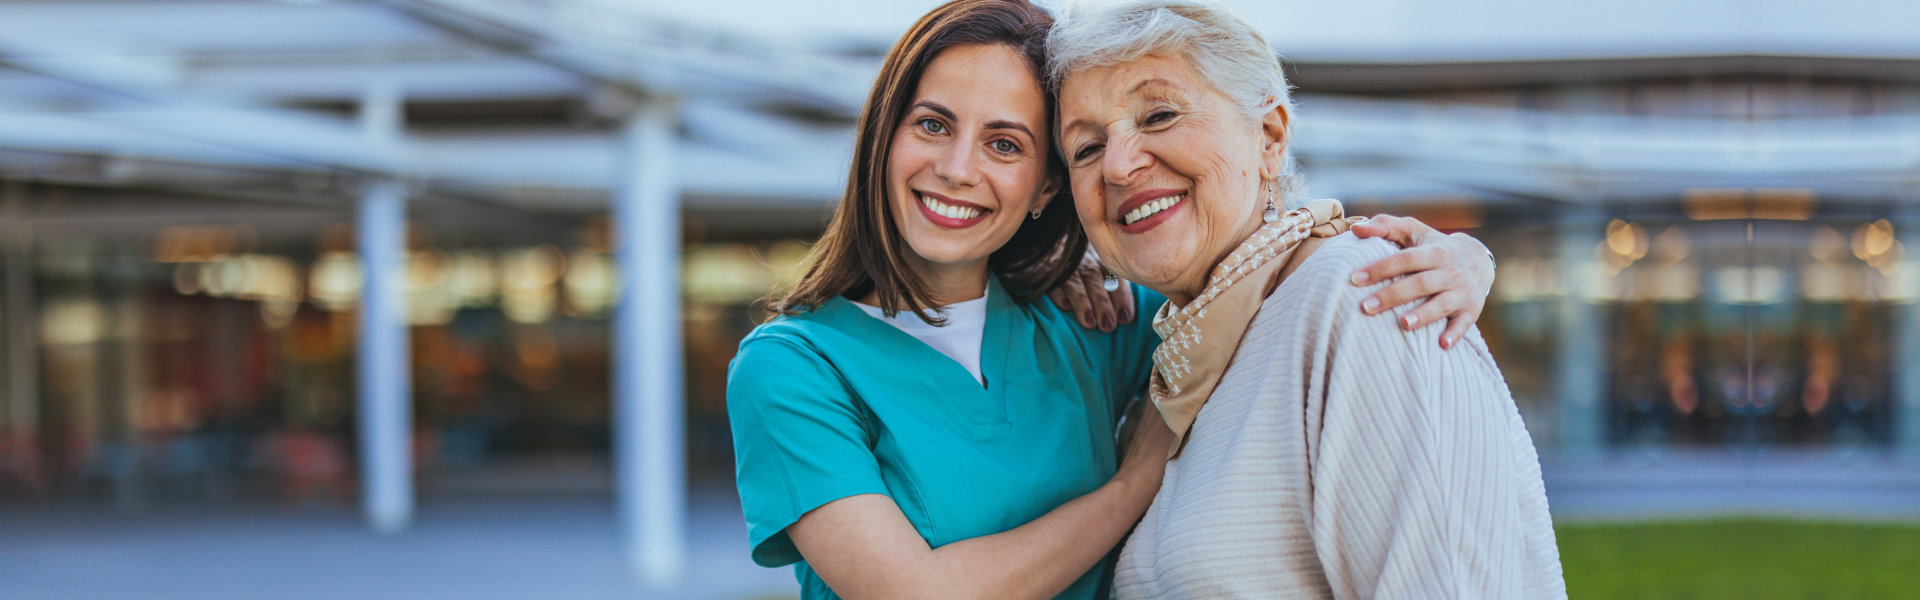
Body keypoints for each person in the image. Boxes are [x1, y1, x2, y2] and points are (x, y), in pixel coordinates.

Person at [725, 1, 1497, 598]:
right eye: (932, 125)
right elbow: (915, 592)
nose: (958, 168)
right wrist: (1133, 484)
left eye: (1005, 144)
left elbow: (1249, 283)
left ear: (1044, 187)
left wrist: (1456, 256)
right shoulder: (792, 368)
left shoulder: (1091, 323)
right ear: (881, 139)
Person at [1046, 0, 1567, 597]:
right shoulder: (1186, 352)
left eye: (1159, 114)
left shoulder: (1366, 297)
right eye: (1085, 148)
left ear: (1269, 136)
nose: (1116, 165)